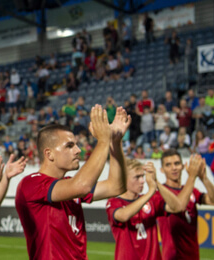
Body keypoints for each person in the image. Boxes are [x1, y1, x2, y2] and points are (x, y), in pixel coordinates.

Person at [16, 106, 131, 259]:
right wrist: (103, 140)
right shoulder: (31, 184)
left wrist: (114, 143)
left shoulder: (68, 184)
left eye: (76, 145)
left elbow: (116, 186)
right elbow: (81, 186)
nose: (78, 150)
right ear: (49, 154)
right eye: (69, 146)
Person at [106, 155, 203, 260]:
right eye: (137, 177)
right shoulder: (114, 202)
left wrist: (156, 182)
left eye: (142, 176)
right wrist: (150, 192)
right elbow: (124, 215)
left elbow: (178, 207)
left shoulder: (152, 200)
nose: (142, 181)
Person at [157, 150, 214, 260]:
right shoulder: (160, 194)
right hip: (173, 257)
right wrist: (192, 177)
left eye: (177, 163)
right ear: (162, 170)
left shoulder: (192, 191)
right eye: (168, 165)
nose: (174, 168)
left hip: (193, 255)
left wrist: (204, 178)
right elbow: (179, 205)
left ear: (182, 166)